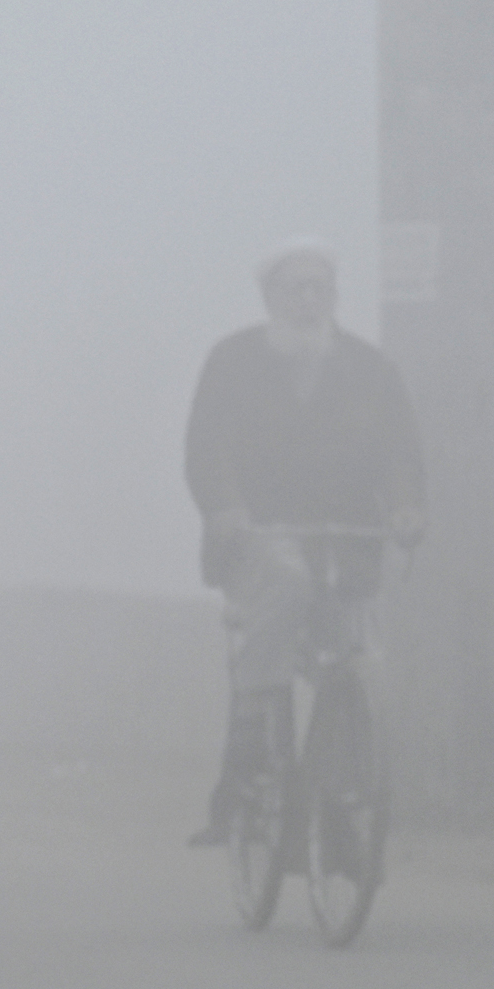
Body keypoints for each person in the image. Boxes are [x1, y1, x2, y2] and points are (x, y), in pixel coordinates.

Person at [184, 237, 426, 844]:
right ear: (271, 297)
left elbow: (401, 450)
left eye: (322, 288)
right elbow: (206, 447)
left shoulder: (371, 370)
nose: (311, 300)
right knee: (288, 585)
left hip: (345, 539)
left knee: (355, 655)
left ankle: (336, 800)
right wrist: (226, 508)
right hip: (259, 535)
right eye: (298, 288)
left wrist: (404, 509)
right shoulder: (233, 360)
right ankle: (248, 751)